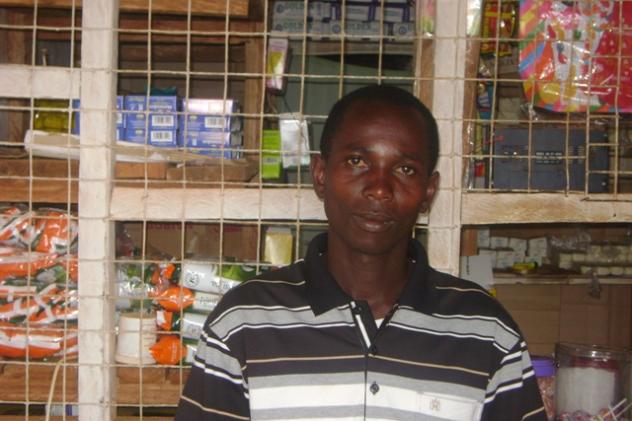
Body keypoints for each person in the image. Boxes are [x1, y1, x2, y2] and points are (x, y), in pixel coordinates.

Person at [175, 85, 546, 420]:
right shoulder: (242, 324)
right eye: (357, 161)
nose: (379, 189)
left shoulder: (487, 332)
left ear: (428, 193)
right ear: (320, 175)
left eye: (405, 169)